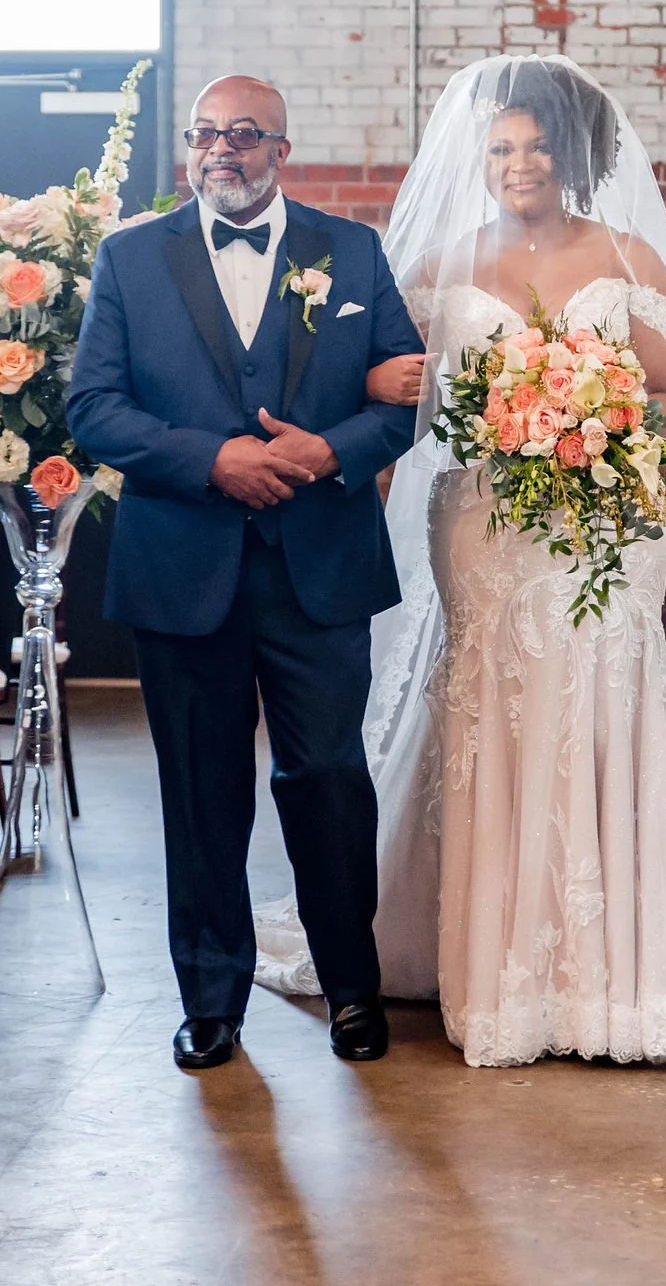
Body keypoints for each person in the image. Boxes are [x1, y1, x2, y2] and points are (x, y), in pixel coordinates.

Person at [252, 56, 666, 1067]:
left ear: (571, 156)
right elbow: (387, 391)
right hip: (482, 524)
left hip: (603, 523)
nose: (516, 164)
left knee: (602, 702)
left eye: (534, 147)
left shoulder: (627, 254)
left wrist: (590, 400)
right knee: (489, 708)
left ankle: (620, 976)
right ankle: (496, 969)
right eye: (499, 149)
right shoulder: (437, 266)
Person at [68, 74, 424, 1070]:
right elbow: (92, 408)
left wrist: (328, 451)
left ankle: (351, 986)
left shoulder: (348, 251)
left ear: (281, 149)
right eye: (205, 133)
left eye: (244, 134)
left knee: (327, 777)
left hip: (318, 561)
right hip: (181, 563)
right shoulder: (130, 257)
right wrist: (208, 459)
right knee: (199, 786)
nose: (221, 148)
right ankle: (210, 998)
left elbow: (400, 393)